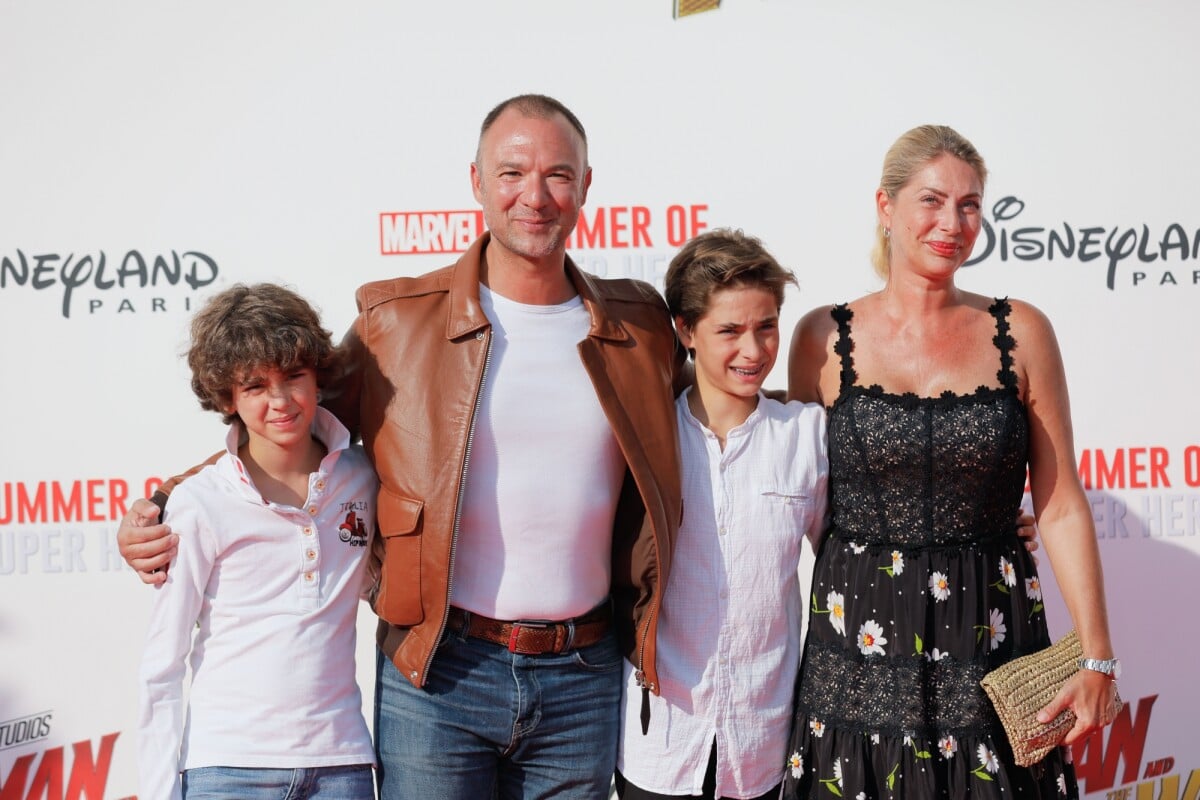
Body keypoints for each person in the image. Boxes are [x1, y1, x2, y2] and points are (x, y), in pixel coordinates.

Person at [119, 94, 684, 800]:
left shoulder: (638, 328)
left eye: (557, 175)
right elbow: (289, 420)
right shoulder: (398, 325)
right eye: (511, 173)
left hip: (583, 677)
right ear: (476, 183)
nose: (534, 197)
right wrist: (166, 500)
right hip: (436, 673)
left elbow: (707, 419)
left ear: (587, 185)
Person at [782, 125, 1118, 799]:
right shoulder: (821, 336)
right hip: (859, 639)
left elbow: (1059, 502)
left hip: (989, 629)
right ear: (886, 206)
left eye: (969, 205)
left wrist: (1097, 655)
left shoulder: (1021, 331)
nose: (952, 223)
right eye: (932, 200)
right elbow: (795, 494)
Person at [137, 283, 378, 800]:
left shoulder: (364, 477)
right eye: (254, 386)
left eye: (294, 376)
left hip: (343, 764)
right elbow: (163, 663)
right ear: (227, 397)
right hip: (226, 768)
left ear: (318, 378)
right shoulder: (199, 502)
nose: (280, 401)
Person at [614, 229, 827, 800]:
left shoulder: (808, 436)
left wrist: (985, 535)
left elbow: (863, 552)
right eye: (729, 331)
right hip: (657, 742)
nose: (753, 351)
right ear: (685, 330)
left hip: (763, 748)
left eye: (766, 327)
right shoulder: (644, 439)